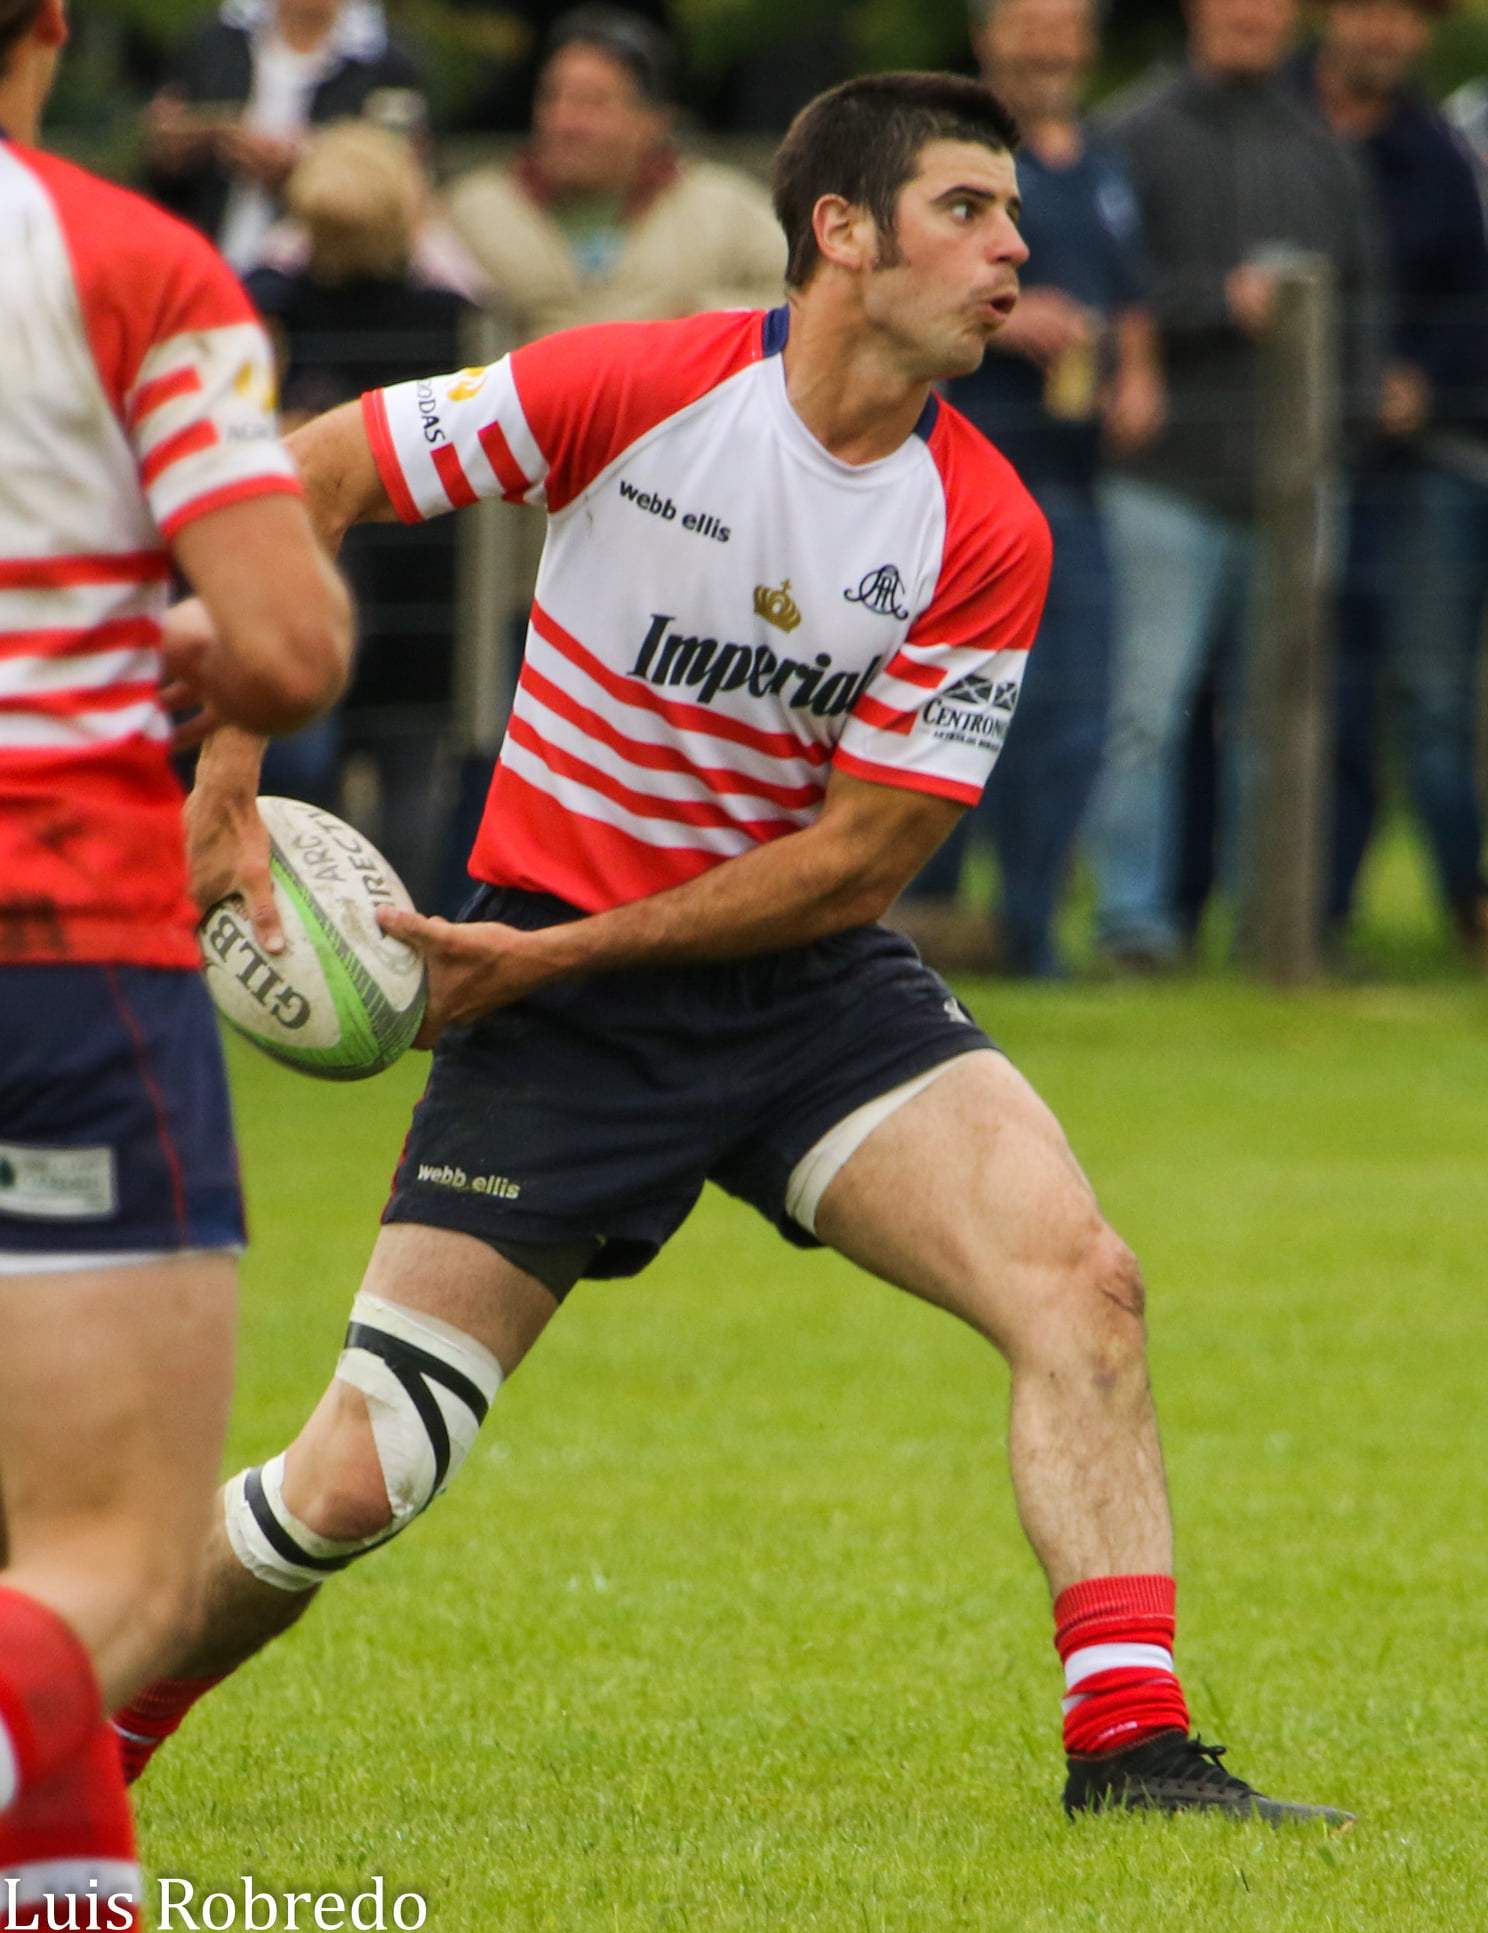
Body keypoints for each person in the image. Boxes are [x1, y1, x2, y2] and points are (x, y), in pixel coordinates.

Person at [114, 71, 1348, 1827]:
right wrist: (223, 790)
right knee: (360, 1476)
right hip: (552, 997)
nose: (1013, 251)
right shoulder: (638, 385)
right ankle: (80, 1737)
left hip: (798, 987)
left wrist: (551, 961)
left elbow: (855, 864)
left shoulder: (983, 527)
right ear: (838, 232)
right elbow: (304, 476)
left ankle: (1130, 1750)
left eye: (1010, 216)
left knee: (1081, 1285)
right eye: (965, 212)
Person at [0, 0, 351, 1933]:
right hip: (55, 959)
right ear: (49, 25)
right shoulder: (131, 263)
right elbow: (285, 646)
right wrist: (202, 651)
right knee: (109, 1570)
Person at [1085, 0, 1380, 968]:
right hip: (1162, 480)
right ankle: (1135, 926)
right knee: (1143, 714)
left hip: (1295, 493)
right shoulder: (1133, 132)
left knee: (1284, 718)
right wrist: (1222, 302)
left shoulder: (1321, 147)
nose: (1251, 14)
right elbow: (1101, 290)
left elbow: (1364, 306)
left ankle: (1275, 929)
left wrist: (1345, 428)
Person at [892, 0, 1164, 978]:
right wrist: (1007, 319)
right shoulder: (945, 157)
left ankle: (1032, 935)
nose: (1047, 46)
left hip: (1076, 488)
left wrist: (1140, 372)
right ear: (986, 36)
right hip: (960, 481)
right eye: (1028, 26)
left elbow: (1129, 299)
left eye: (1065, 27)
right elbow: (891, 283)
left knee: (1075, 718)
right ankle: (918, 941)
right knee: (949, 715)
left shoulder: (1097, 163)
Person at [1297, 0, 1488, 964]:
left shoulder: (1440, 153)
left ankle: (1467, 901)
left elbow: (1471, 299)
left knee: (1425, 691)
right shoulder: (1275, 119)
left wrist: (1425, 380)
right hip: (1275, 461)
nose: (1387, 33)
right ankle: (1308, 914)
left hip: (1411, 464)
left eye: (1408, 18)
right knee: (1307, 690)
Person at [247, 120, 474, 911]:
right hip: (418, 582)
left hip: (339, 582)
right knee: (407, 772)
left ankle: (324, 932)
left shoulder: (270, 302)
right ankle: (397, 936)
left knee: (326, 779)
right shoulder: (452, 316)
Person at [446, 5, 786, 340]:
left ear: (654, 120)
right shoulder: (473, 210)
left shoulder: (723, 209)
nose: (564, 122)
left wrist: (699, 318)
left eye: (590, 102)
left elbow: (804, 294)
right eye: (552, 98)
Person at [141, 0, 422, 273]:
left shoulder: (388, 64)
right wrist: (174, 148)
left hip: (324, 273)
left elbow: (400, 181)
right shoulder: (210, 41)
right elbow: (160, 170)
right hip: (206, 251)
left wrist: (304, 172)